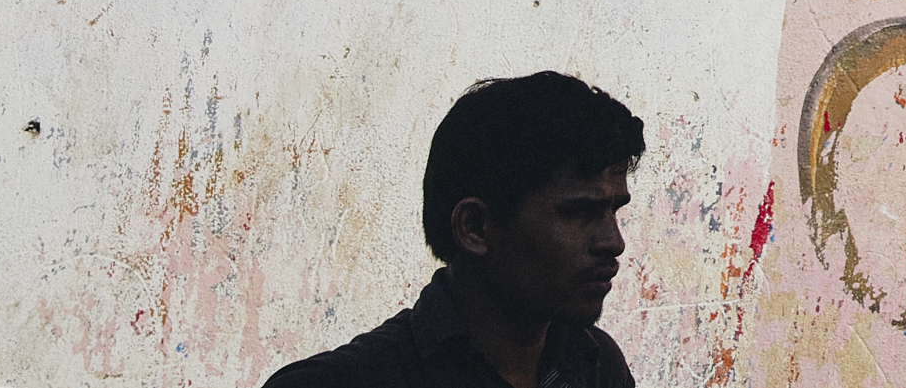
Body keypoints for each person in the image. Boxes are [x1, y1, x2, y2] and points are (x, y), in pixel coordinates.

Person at [264, 72, 642, 388]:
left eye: (614, 210)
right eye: (579, 213)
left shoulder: (594, 365)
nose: (613, 242)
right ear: (474, 227)